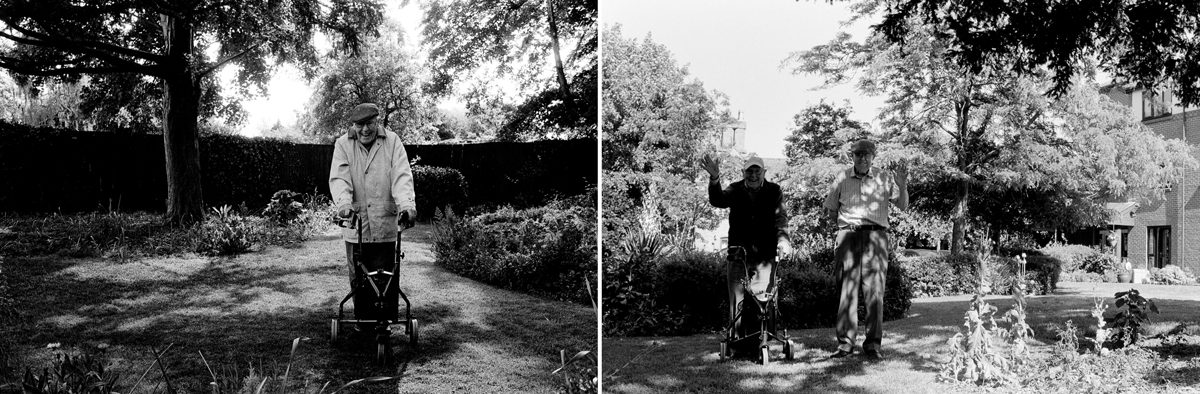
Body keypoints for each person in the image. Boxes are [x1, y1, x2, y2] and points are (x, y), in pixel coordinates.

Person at [328, 102, 418, 323]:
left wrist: (407, 204)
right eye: (360, 125)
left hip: (384, 223)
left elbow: (401, 176)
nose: (365, 130)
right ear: (354, 125)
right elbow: (340, 178)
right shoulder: (343, 144)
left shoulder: (392, 141)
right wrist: (343, 204)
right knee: (359, 278)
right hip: (356, 224)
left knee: (385, 276)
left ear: (377, 122)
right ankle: (362, 321)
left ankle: (384, 323)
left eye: (369, 123)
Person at [823, 139, 908, 360]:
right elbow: (831, 209)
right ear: (852, 156)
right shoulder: (842, 177)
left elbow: (902, 205)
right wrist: (845, 227)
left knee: (875, 293)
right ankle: (845, 344)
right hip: (848, 236)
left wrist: (903, 184)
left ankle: (872, 345)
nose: (862, 158)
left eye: (866, 154)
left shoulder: (884, 177)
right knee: (846, 291)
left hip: (876, 237)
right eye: (858, 154)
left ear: (873, 156)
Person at [701, 154, 792, 354]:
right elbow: (717, 200)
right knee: (738, 300)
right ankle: (736, 344)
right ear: (743, 173)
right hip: (738, 254)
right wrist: (715, 179)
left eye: (756, 171)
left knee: (763, 299)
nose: (753, 175)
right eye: (749, 171)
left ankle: (762, 341)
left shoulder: (774, 191)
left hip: (765, 255)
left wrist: (783, 241)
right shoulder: (735, 189)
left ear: (763, 173)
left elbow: (781, 219)